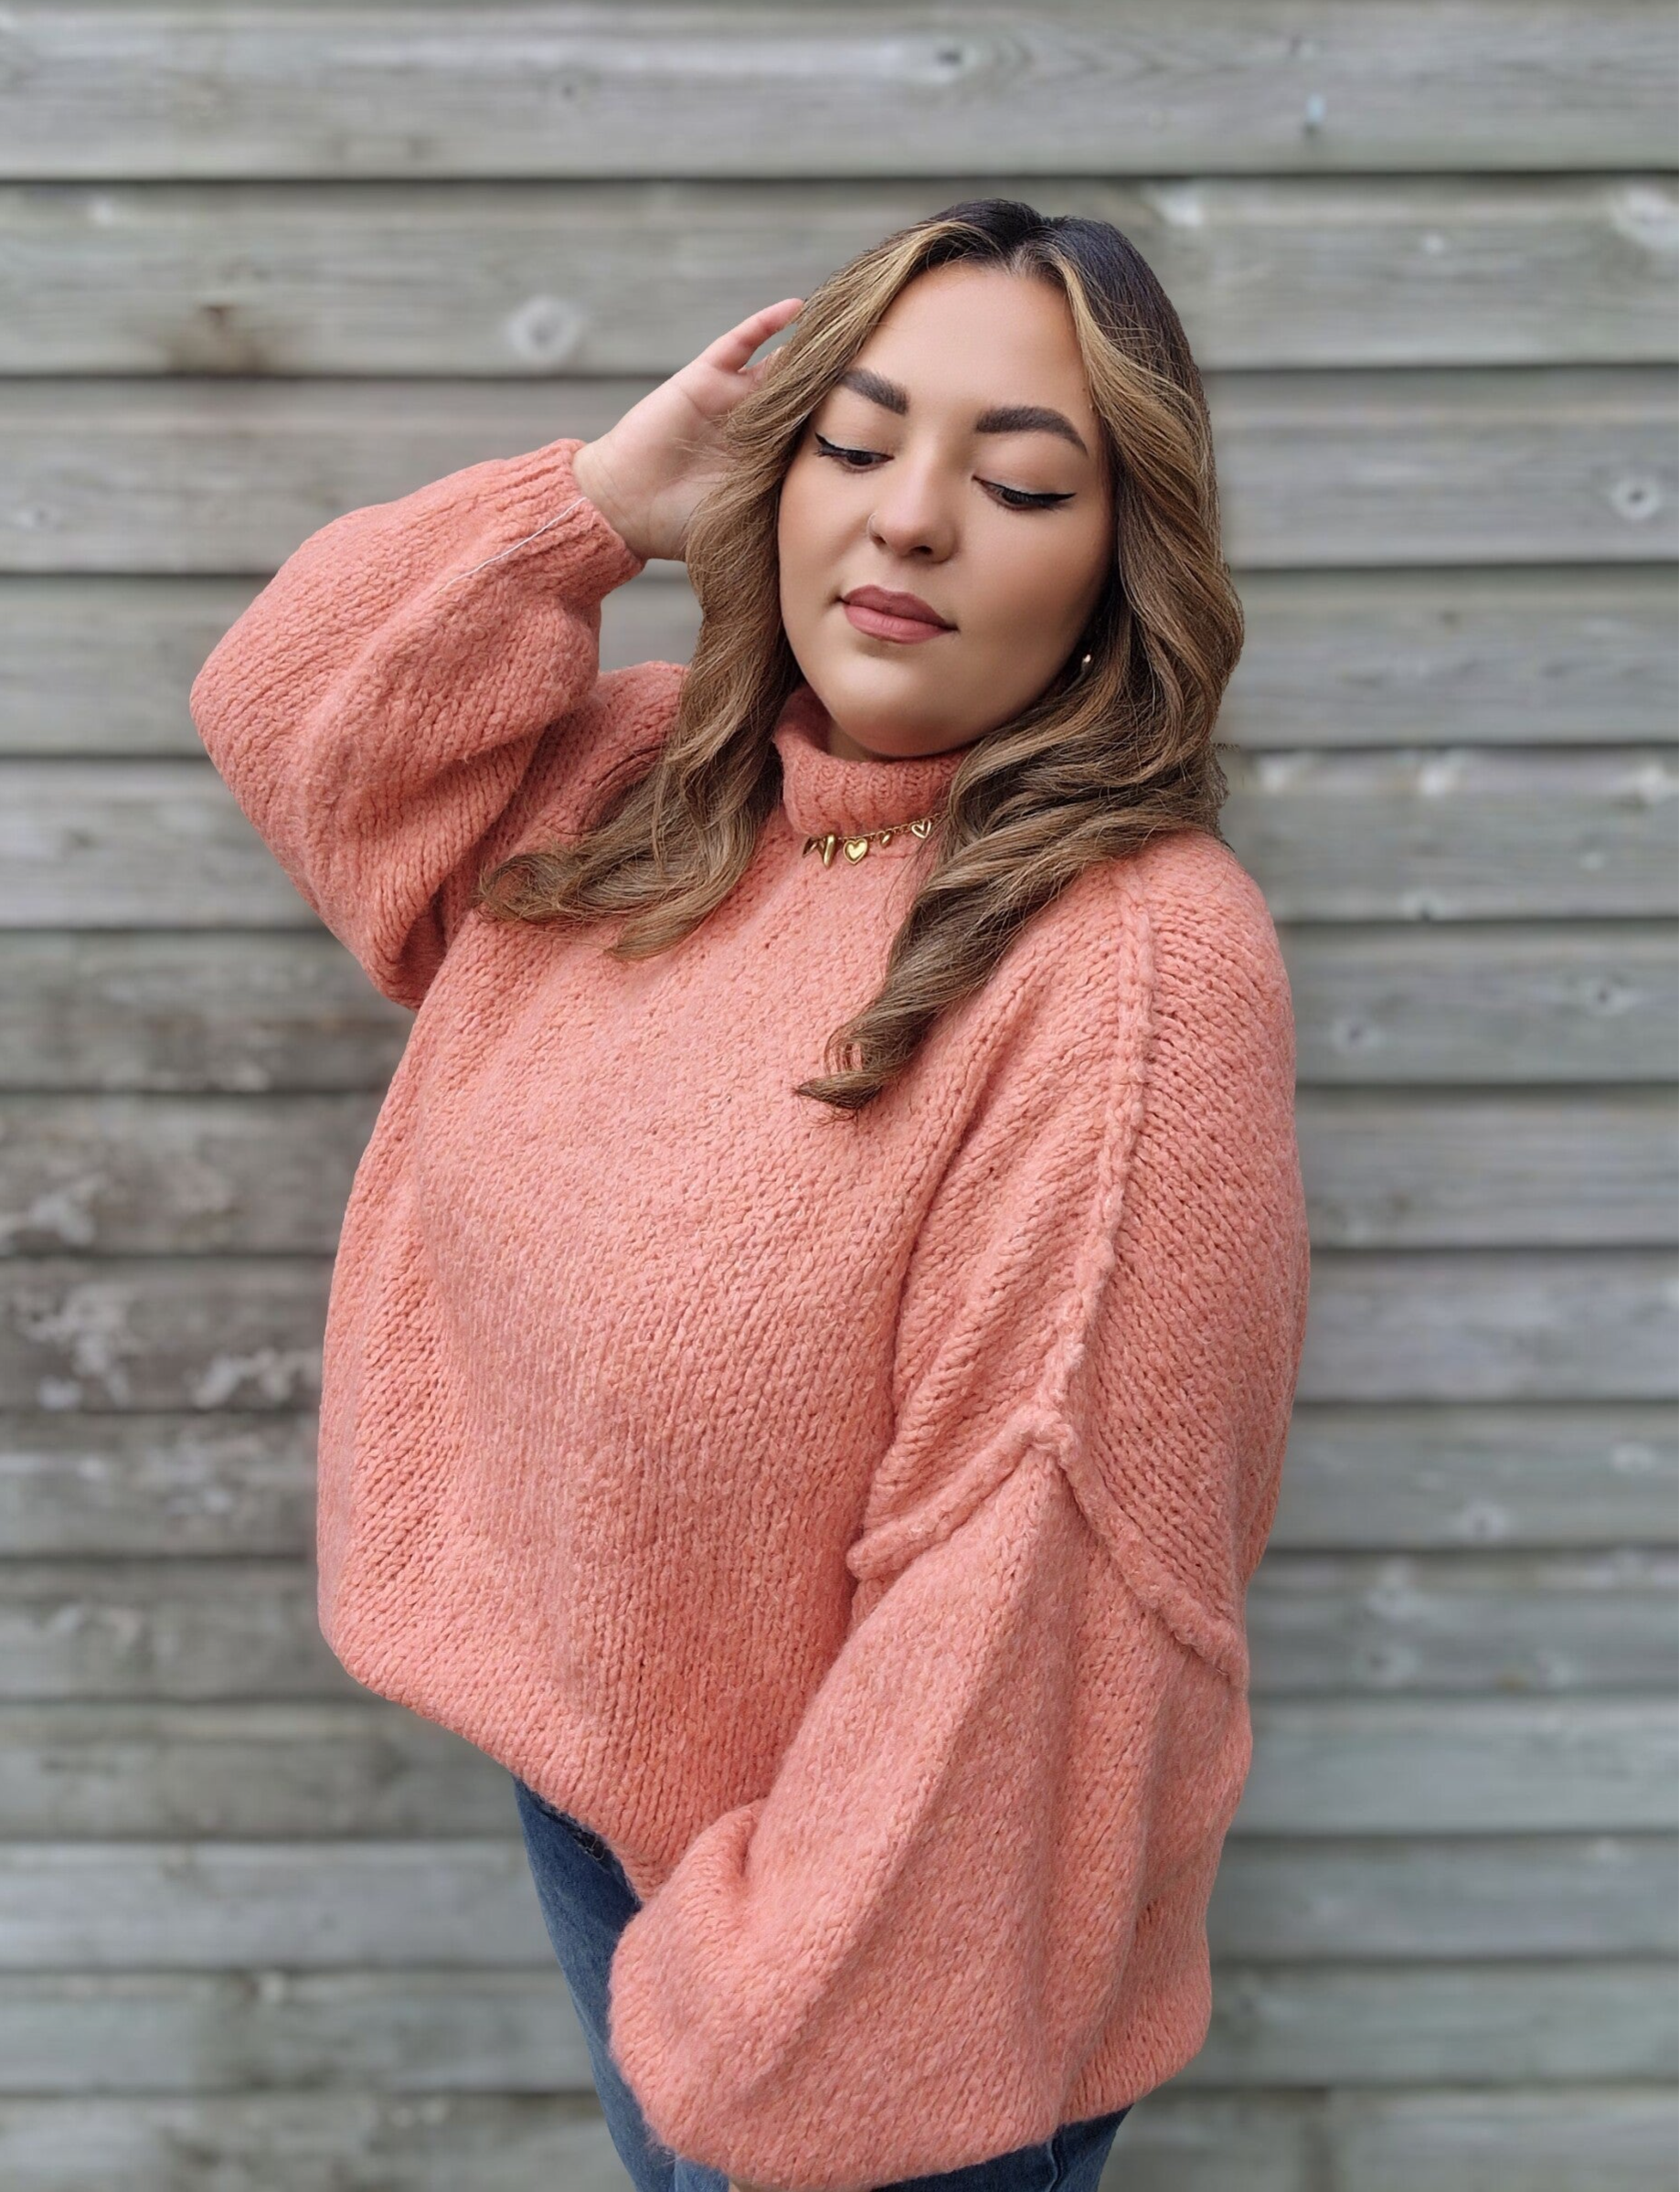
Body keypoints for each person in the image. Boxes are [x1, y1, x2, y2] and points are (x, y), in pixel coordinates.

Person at [190, 197, 1312, 2192]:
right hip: (616, 1808)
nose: (908, 520)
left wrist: (774, 2032)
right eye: (852, 443)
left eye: (1018, 482)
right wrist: (592, 508)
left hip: (874, 1958)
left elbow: (1034, 1592)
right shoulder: (645, 794)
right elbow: (295, 716)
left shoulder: (1129, 968)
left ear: (1118, 563)